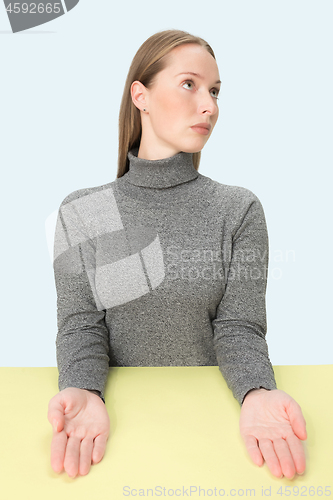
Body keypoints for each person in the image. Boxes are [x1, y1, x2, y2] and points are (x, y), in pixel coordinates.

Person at [48, 29, 307, 480]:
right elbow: (81, 324)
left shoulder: (238, 209)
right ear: (140, 96)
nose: (209, 105)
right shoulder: (83, 211)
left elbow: (238, 326)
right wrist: (83, 388)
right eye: (189, 84)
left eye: (215, 91)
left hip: (213, 432)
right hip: (115, 436)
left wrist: (258, 391)